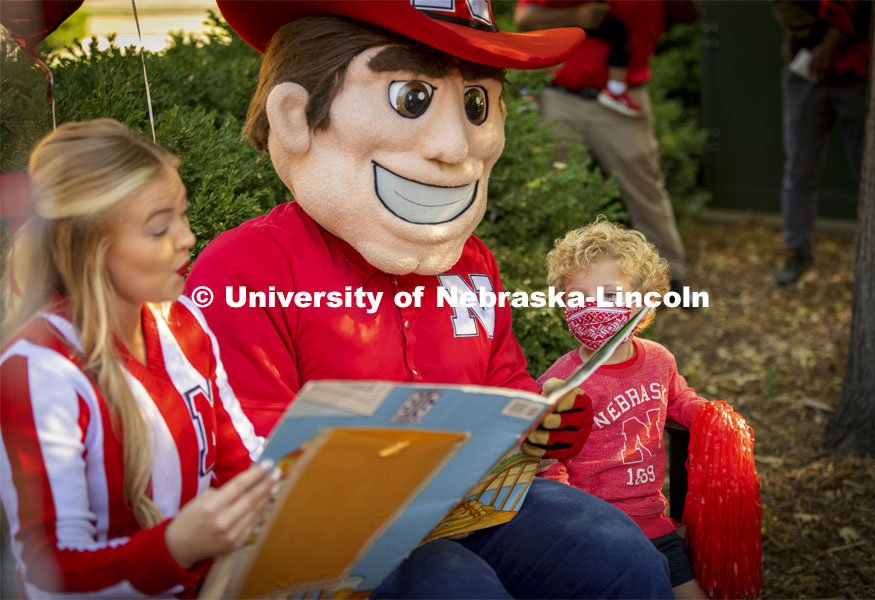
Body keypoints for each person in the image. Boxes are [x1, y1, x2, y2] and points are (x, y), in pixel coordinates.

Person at [186, 2, 673, 597]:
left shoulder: (471, 263)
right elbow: (239, 443)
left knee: (620, 557)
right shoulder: (246, 268)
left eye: (475, 106)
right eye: (411, 98)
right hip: (339, 534)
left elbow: (507, 386)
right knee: (451, 586)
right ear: (295, 117)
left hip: (476, 500)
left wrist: (546, 423)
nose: (453, 146)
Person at [0, 119, 278, 598]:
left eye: (183, 216)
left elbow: (242, 463)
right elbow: (51, 577)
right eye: (158, 229)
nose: (188, 238)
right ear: (90, 247)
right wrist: (176, 546)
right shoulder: (39, 370)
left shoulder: (185, 321)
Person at [538, 217, 708, 599]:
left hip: (655, 524)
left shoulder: (659, 360)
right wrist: (570, 520)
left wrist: (713, 418)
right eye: (578, 297)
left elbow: (679, 401)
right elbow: (548, 458)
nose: (594, 308)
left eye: (610, 296)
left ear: (644, 300)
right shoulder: (563, 382)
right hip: (598, 531)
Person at [514, 0, 693, 302]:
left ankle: (670, 279)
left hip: (624, 101)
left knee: (645, 190)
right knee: (543, 189)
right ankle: (542, 282)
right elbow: (524, 17)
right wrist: (579, 16)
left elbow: (688, 15)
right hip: (561, 97)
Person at [772, 0, 869, 285]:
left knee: (870, 174)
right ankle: (796, 251)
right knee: (799, 170)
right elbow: (795, 18)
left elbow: (867, 14)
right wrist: (834, 38)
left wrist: (830, 45)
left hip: (858, 76)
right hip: (806, 75)